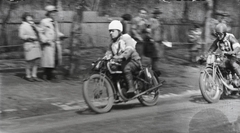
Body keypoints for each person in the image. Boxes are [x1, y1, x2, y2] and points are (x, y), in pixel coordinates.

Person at [105, 20, 141, 94]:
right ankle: (116, 92)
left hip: (133, 61)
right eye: (110, 31)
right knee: (111, 72)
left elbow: (130, 48)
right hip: (121, 63)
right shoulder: (111, 43)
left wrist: (122, 56)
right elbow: (108, 52)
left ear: (119, 31)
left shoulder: (125, 37)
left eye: (112, 31)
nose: (110, 33)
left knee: (126, 68)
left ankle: (132, 88)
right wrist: (105, 58)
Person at [40, 5, 65, 82]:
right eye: (52, 12)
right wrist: (45, 40)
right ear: (48, 13)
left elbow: (56, 32)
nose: (54, 14)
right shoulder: (44, 21)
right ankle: (46, 75)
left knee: (55, 59)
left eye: (54, 12)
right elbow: (40, 32)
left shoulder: (55, 22)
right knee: (48, 60)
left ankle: (50, 75)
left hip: (56, 43)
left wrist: (61, 35)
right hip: (49, 43)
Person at [19, 12, 43, 82]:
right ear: (25, 18)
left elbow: (40, 31)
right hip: (29, 44)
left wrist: (35, 26)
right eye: (28, 17)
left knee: (36, 61)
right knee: (29, 61)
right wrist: (29, 37)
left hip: (36, 44)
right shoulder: (23, 26)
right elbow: (21, 36)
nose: (30, 18)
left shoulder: (33, 25)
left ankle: (34, 75)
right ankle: (28, 76)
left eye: (30, 16)